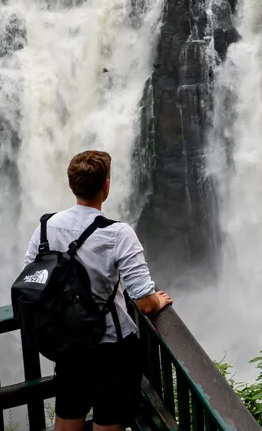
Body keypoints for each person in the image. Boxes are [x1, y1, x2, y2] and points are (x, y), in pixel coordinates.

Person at [24, 150, 172, 431]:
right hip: (110, 348)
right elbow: (145, 304)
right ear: (106, 185)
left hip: (67, 343)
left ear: (71, 186)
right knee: (109, 424)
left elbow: (32, 281)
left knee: (67, 420)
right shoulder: (118, 234)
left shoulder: (45, 227)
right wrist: (158, 300)